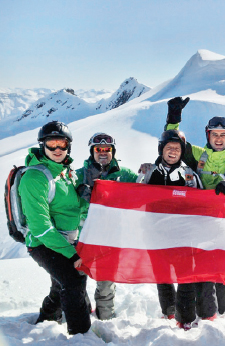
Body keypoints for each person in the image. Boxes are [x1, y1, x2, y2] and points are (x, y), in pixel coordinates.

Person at [161, 96, 225, 318]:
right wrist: (173, 118)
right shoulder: (198, 155)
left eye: (222, 135)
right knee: (198, 270)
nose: (218, 139)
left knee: (221, 270)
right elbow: (173, 142)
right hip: (198, 222)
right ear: (208, 136)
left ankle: (220, 313)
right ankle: (200, 314)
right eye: (214, 135)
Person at [19, 121, 91, 335]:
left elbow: (73, 210)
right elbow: (40, 227)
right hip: (43, 243)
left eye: (62, 144)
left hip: (66, 240)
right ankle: (81, 334)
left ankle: (47, 318)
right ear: (43, 146)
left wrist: (85, 199)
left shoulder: (65, 172)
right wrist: (72, 254)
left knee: (61, 284)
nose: (58, 150)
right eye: (52, 144)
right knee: (73, 279)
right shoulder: (35, 178)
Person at [138, 129, 204, 331]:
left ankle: (185, 318)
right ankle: (169, 311)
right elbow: (133, 195)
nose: (173, 152)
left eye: (177, 148)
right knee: (163, 275)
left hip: (182, 234)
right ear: (161, 149)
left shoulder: (189, 174)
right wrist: (141, 175)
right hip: (155, 232)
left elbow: (201, 200)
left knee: (185, 275)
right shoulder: (150, 171)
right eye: (169, 148)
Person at [76, 132, 138, 320]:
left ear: (113, 151)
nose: (103, 153)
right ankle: (81, 314)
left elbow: (144, 189)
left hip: (111, 236)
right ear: (92, 151)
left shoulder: (124, 174)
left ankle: (105, 317)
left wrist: (148, 171)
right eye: (98, 149)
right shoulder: (79, 174)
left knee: (106, 279)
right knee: (76, 278)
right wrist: (80, 193)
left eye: (107, 149)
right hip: (83, 235)